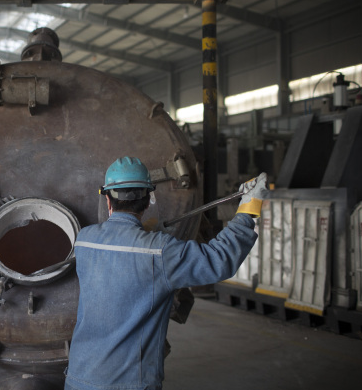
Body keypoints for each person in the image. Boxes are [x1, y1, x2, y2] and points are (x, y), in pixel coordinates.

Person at [64, 156, 268, 390]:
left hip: (79, 377)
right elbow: (218, 260)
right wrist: (248, 211)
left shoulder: (84, 240)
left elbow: (121, 253)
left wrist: (146, 235)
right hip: (128, 384)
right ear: (148, 200)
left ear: (108, 200)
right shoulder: (161, 252)